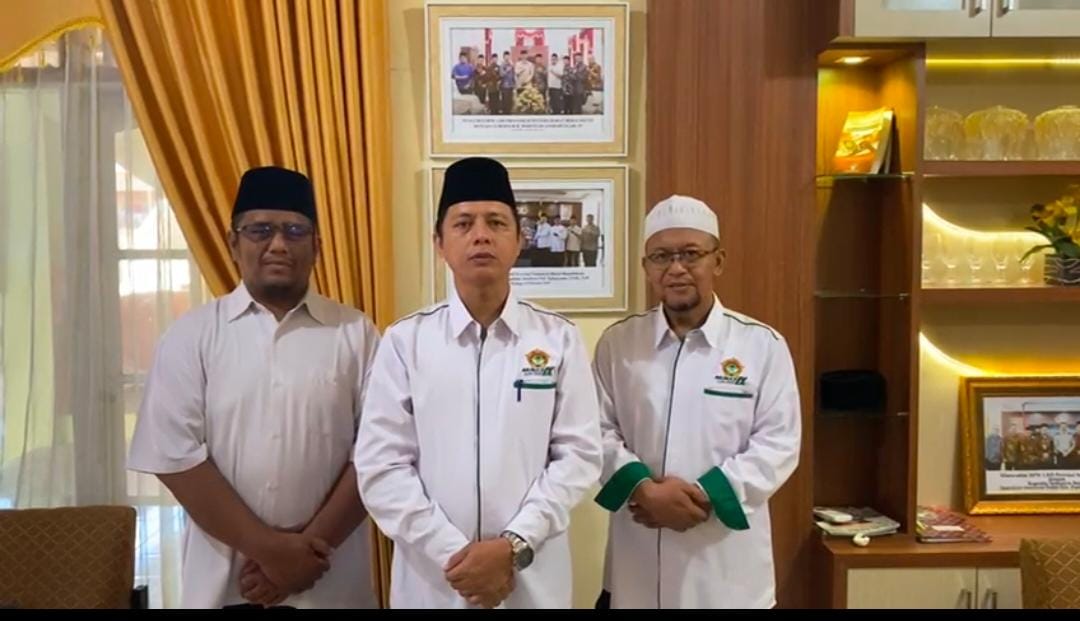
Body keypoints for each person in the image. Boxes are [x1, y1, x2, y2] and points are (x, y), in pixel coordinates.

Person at [354, 157, 602, 608]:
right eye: (463, 223)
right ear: (440, 243)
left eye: (496, 222)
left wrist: (513, 544)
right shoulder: (405, 342)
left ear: (519, 240)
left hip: (530, 577)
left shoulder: (558, 339)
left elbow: (579, 456)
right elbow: (381, 466)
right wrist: (455, 555)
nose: (481, 235)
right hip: (436, 582)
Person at [127, 167, 380, 609]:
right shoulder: (192, 335)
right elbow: (175, 457)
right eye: (260, 230)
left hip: (330, 578)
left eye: (295, 231)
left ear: (317, 246)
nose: (278, 244)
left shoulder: (356, 333)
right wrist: (272, 553)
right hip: (225, 584)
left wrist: (305, 555)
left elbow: (378, 450)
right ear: (233, 243)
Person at [592, 195, 801, 609]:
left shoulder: (762, 345)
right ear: (646, 267)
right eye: (661, 257)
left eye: (691, 254)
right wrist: (645, 491)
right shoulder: (618, 344)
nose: (676, 269)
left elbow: (779, 444)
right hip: (638, 567)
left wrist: (704, 496)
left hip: (727, 573)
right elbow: (595, 431)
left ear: (717, 261)